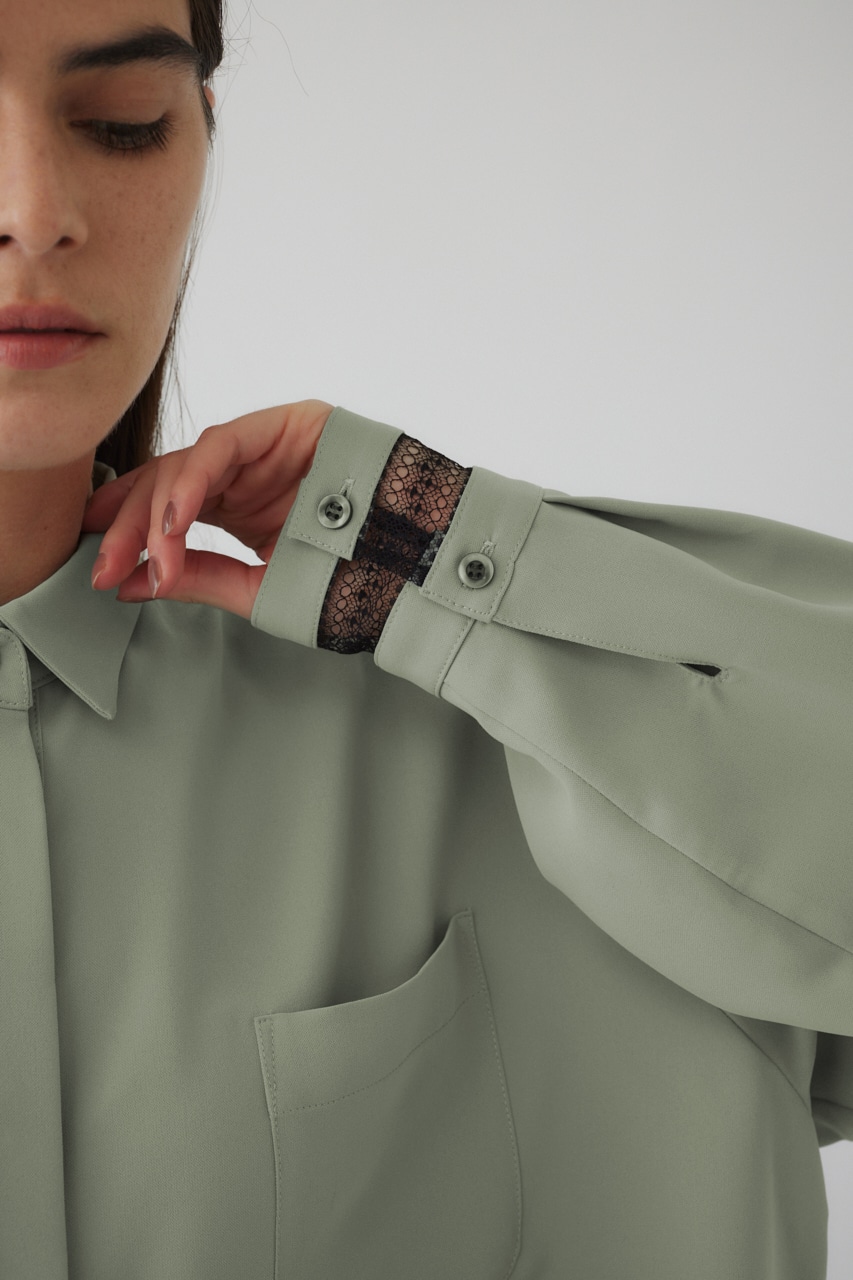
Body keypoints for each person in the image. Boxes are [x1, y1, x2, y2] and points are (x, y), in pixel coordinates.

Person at [1, 3, 851, 1278]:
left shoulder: (527, 740)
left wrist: (439, 548)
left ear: (199, 146)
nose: (33, 209)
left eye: (120, 125)